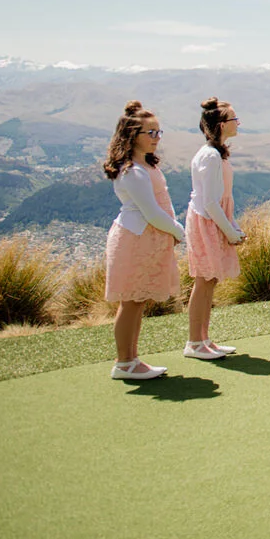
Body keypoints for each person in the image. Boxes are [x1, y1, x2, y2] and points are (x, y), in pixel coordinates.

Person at [101, 100, 185, 381]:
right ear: (132, 135)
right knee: (131, 301)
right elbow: (151, 212)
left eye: (158, 132)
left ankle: (131, 359)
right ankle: (125, 362)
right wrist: (177, 231)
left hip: (145, 239)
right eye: (150, 132)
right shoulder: (133, 172)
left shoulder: (143, 166)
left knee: (137, 301)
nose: (156, 138)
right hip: (135, 240)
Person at [183, 97, 245, 360]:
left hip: (213, 220)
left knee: (209, 281)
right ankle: (194, 342)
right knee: (204, 280)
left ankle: (204, 339)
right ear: (221, 124)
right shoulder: (209, 156)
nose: (238, 122)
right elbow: (210, 202)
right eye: (233, 119)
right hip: (206, 222)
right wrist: (230, 231)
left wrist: (233, 226)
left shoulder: (215, 153)